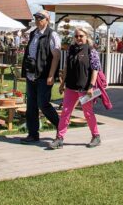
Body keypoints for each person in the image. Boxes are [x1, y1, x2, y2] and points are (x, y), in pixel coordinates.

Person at [48, 27, 102, 149]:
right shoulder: (71, 49)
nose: (78, 38)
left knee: (88, 113)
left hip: (85, 88)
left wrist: (91, 86)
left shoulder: (91, 50)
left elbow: (95, 69)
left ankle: (96, 136)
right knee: (65, 112)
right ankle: (59, 138)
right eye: (76, 36)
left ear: (86, 37)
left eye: (81, 36)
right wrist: (62, 84)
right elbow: (67, 66)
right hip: (71, 87)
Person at [20, 11, 61, 144]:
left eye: (40, 18)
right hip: (31, 75)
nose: (37, 20)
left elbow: (56, 56)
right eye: (36, 17)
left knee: (43, 104)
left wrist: (51, 75)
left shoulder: (52, 34)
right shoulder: (33, 33)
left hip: (44, 75)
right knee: (31, 105)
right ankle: (33, 134)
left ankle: (61, 127)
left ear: (47, 19)